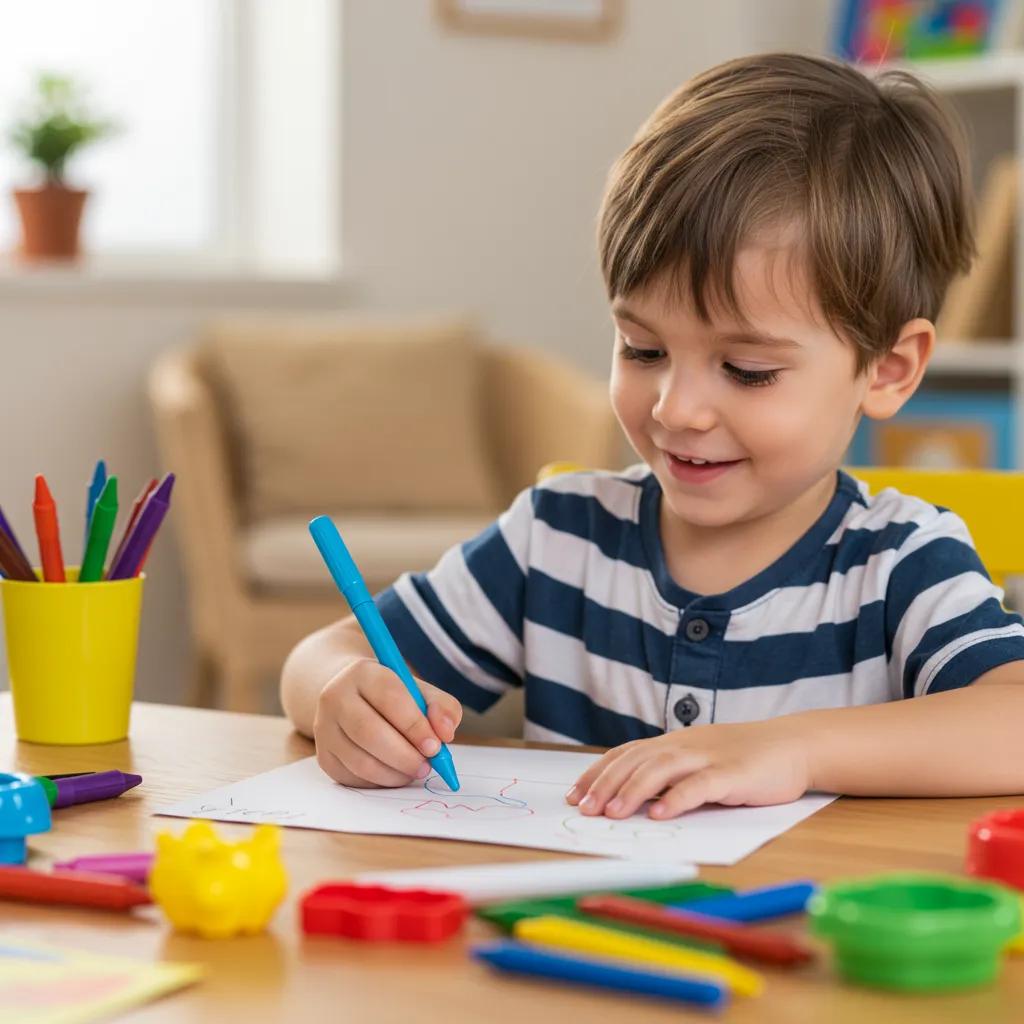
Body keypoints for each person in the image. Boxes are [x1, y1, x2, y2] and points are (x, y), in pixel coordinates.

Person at [281, 53, 1024, 821]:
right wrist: (344, 696)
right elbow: (323, 657)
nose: (677, 409)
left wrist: (790, 749)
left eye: (745, 369)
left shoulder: (899, 562)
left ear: (887, 371)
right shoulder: (558, 538)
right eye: (643, 350)